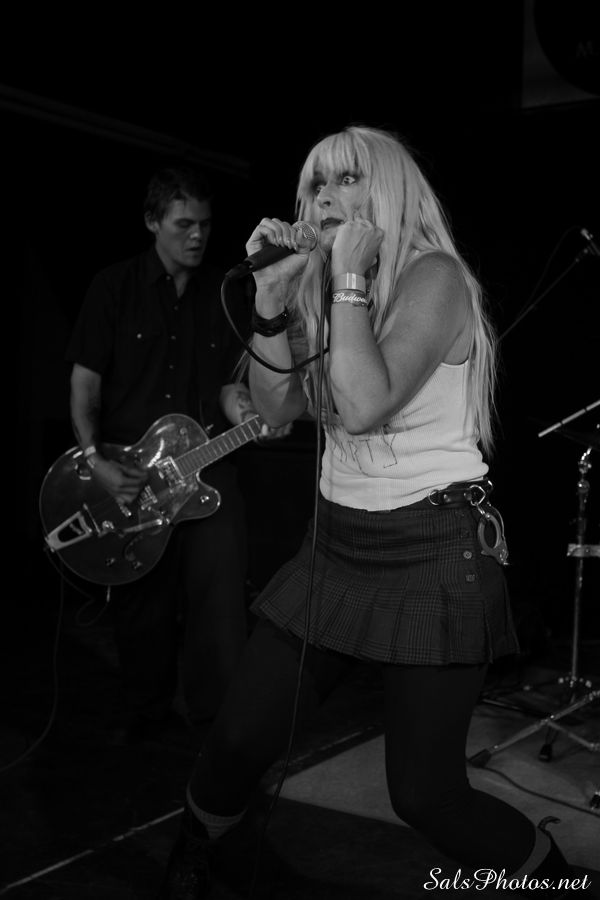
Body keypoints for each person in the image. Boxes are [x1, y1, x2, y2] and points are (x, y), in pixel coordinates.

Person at [158, 127, 581, 898]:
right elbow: (275, 409)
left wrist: (347, 277)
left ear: (387, 188)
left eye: (345, 180)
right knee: (238, 738)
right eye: (314, 185)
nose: (323, 198)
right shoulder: (324, 284)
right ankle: (200, 855)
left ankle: (556, 883)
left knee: (426, 795)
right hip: (337, 544)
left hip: (432, 548)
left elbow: (362, 405)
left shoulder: (435, 276)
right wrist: (271, 301)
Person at [66, 165, 274, 745]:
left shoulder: (223, 293)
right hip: (133, 471)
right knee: (143, 604)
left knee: (221, 598)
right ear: (152, 221)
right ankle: (147, 715)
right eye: (184, 224)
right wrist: (96, 462)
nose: (197, 235)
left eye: (205, 223)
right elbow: (85, 385)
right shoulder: (114, 287)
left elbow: (229, 386)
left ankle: (218, 722)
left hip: (208, 464)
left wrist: (247, 413)